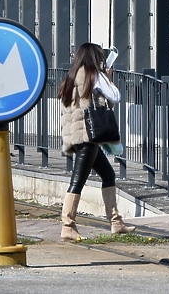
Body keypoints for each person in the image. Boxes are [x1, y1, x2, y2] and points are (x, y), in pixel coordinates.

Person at [57, 42, 135, 241]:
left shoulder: (72, 76)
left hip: (77, 136)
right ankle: (67, 226)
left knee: (108, 174)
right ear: (95, 58)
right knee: (78, 180)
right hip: (89, 137)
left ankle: (116, 222)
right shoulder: (95, 75)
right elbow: (115, 96)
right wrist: (107, 77)